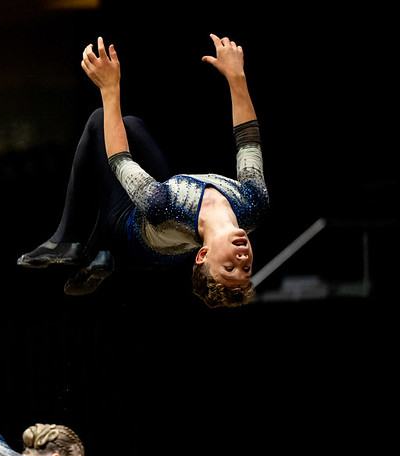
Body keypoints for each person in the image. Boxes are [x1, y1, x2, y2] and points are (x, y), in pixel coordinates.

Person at [17, 34, 268, 308]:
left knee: (99, 120)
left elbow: (120, 160)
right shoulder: (252, 204)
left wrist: (110, 88)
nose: (242, 263)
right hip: (166, 235)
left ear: (203, 255)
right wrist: (236, 77)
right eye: (245, 272)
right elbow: (248, 141)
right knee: (132, 125)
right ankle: (98, 252)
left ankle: (70, 240)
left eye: (229, 270)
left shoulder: (163, 206)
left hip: (131, 238)